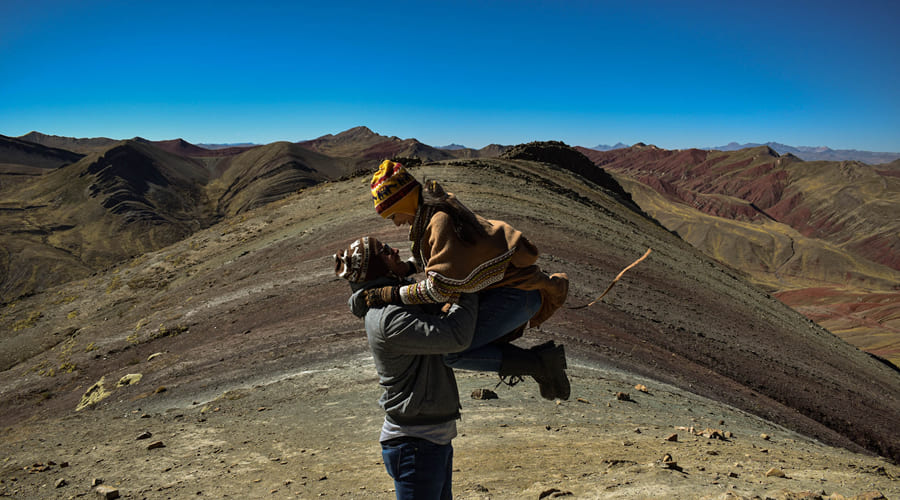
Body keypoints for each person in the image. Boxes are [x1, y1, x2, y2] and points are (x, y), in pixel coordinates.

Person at [366, 159, 571, 400]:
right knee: (459, 337)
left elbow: (439, 288)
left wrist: (390, 294)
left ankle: (541, 364)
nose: (397, 223)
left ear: (402, 200)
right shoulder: (435, 211)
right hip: (515, 294)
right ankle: (540, 363)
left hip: (516, 296)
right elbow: (451, 258)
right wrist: (409, 267)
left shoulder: (438, 220)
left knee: (453, 350)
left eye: (393, 216)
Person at [335, 235, 478, 499]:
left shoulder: (395, 303)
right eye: (386, 251)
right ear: (378, 268)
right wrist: (469, 287)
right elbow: (457, 336)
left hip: (429, 440)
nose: (395, 250)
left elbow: (428, 290)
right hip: (416, 445)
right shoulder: (389, 319)